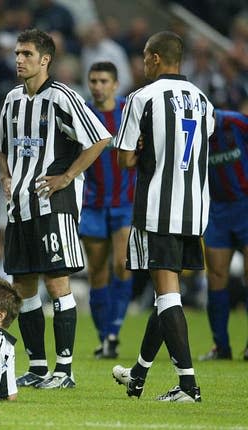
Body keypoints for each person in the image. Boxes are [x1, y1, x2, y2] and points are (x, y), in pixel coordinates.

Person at [0, 29, 111, 389]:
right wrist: (5, 177)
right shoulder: (12, 99)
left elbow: (100, 138)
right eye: (17, 54)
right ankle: (37, 365)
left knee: (56, 280)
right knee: (23, 284)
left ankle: (64, 370)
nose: (19, 60)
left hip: (53, 203)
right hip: (20, 207)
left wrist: (67, 176)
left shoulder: (62, 97)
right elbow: (3, 146)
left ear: (45, 60)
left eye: (27, 54)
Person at [112, 31, 214, 403]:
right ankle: (138, 375)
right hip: (195, 208)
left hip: (158, 207)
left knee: (167, 294)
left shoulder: (142, 97)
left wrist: (140, 151)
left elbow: (123, 158)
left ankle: (188, 386)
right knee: (165, 293)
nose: (142, 62)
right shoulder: (205, 102)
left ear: (155, 59)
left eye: (143, 56)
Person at [80, 62, 135, 359]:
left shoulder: (129, 111)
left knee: (122, 263)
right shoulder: (83, 114)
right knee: (97, 271)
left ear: (115, 84)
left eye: (103, 81)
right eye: (93, 81)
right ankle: (105, 339)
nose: (98, 86)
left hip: (125, 203)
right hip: (92, 204)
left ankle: (114, 328)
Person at [199, 109, 248, 361]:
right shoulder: (193, 133)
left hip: (245, 204)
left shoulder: (236, 123)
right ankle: (221, 347)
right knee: (216, 276)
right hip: (217, 209)